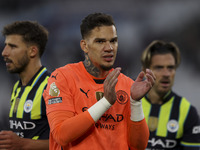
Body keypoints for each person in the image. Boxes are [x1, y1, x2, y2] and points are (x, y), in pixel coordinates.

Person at [43, 12, 155, 150]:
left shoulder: (127, 86)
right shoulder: (62, 78)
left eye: (113, 41)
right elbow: (62, 135)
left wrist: (135, 103)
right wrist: (105, 103)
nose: (109, 48)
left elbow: (138, 146)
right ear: (84, 46)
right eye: (100, 41)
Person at [141, 40, 200, 150]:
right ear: (145, 71)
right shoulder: (129, 104)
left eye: (170, 68)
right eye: (159, 67)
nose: (166, 74)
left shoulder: (187, 112)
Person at [0, 21, 50, 150]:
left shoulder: (52, 87)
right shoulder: (17, 87)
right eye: (5, 46)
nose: (4, 52)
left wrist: (23, 144)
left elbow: (68, 142)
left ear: (32, 51)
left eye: (13, 46)